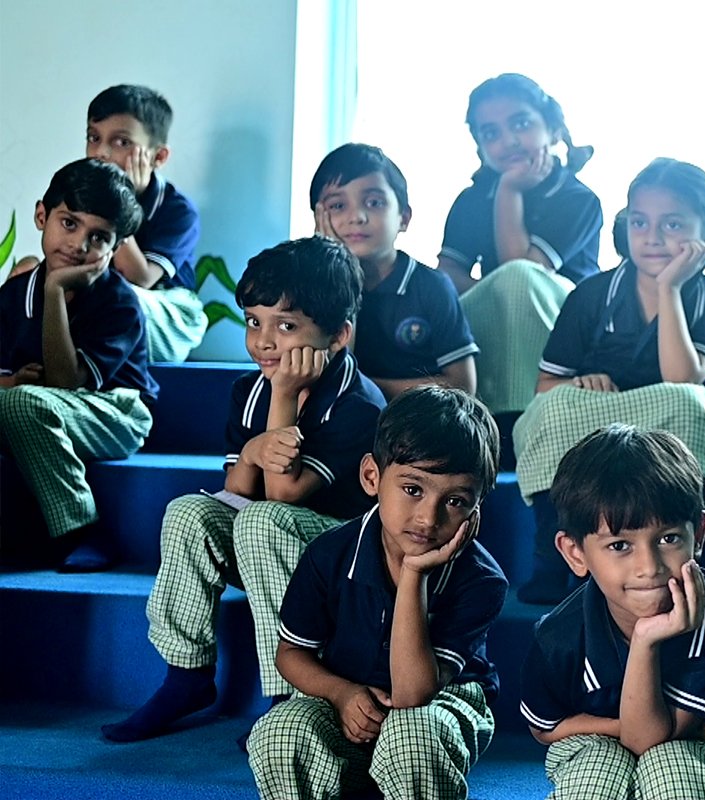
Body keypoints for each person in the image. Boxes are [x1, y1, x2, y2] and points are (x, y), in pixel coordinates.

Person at [102, 237, 386, 743]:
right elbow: (237, 487)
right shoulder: (248, 390)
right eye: (254, 322)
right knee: (189, 511)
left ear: (338, 336)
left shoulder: (357, 403)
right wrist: (253, 450)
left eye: (287, 326)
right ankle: (187, 675)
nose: (264, 342)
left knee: (262, 520)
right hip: (272, 545)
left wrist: (283, 397)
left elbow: (281, 495)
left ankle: (289, 695)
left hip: (345, 562)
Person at [247, 386, 508, 800]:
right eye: (413, 489)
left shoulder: (481, 579)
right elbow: (290, 653)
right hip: (347, 695)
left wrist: (415, 574)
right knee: (280, 731)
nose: (428, 518)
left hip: (439, 704)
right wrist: (340, 693)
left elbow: (412, 695)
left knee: (413, 735)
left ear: (476, 510)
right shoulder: (330, 554)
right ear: (372, 477)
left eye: (456, 501)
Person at [513, 158, 705, 605]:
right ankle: (553, 557)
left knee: (687, 400)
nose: (652, 237)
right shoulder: (592, 294)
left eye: (672, 224)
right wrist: (580, 384)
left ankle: (696, 561)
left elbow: (682, 378)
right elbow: (545, 385)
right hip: (596, 418)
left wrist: (670, 288)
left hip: (669, 426)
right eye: (640, 222)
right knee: (554, 405)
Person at [520, 425, 705, 799]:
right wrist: (618, 727)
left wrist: (644, 639)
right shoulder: (557, 636)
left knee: (668, 765)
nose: (649, 566)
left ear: (698, 534)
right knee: (596, 772)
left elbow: (650, 742)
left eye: (668, 538)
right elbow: (545, 726)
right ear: (575, 553)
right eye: (620, 545)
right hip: (600, 739)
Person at [0, 158, 155, 571]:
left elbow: (66, 383)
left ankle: (83, 529)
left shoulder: (120, 303)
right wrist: (11, 383)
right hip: (41, 409)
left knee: (22, 404)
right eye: (69, 223)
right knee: (17, 401)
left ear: (115, 248)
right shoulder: (13, 295)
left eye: (98, 237)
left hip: (116, 411)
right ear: (41, 216)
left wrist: (55, 290)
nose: (79, 245)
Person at [436, 73, 603, 415]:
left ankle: (526, 412)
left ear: (553, 130)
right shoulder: (472, 199)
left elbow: (522, 272)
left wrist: (509, 191)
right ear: (480, 147)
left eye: (521, 124)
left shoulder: (577, 199)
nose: (509, 141)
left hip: (569, 328)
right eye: (491, 133)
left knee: (518, 278)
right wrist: (493, 294)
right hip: (497, 332)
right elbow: (448, 273)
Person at [7, 85, 208, 363]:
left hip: (166, 309)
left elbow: (139, 278)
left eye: (122, 142)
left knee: (119, 296)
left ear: (158, 157)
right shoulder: (83, 190)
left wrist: (123, 205)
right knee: (28, 272)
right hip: (103, 292)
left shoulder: (177, 209)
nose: (101, 152)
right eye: (94, 137)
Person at [311, 143, 478, 399]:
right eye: (337, 206)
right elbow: (327, 375)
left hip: (418, 417)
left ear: (404, 217)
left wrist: (364, 387)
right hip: (347, 417)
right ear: (318, 217)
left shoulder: (431, 286)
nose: (357, 217)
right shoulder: (313, 287)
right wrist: (339, 272)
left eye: (374, 202)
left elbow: (463, 384)